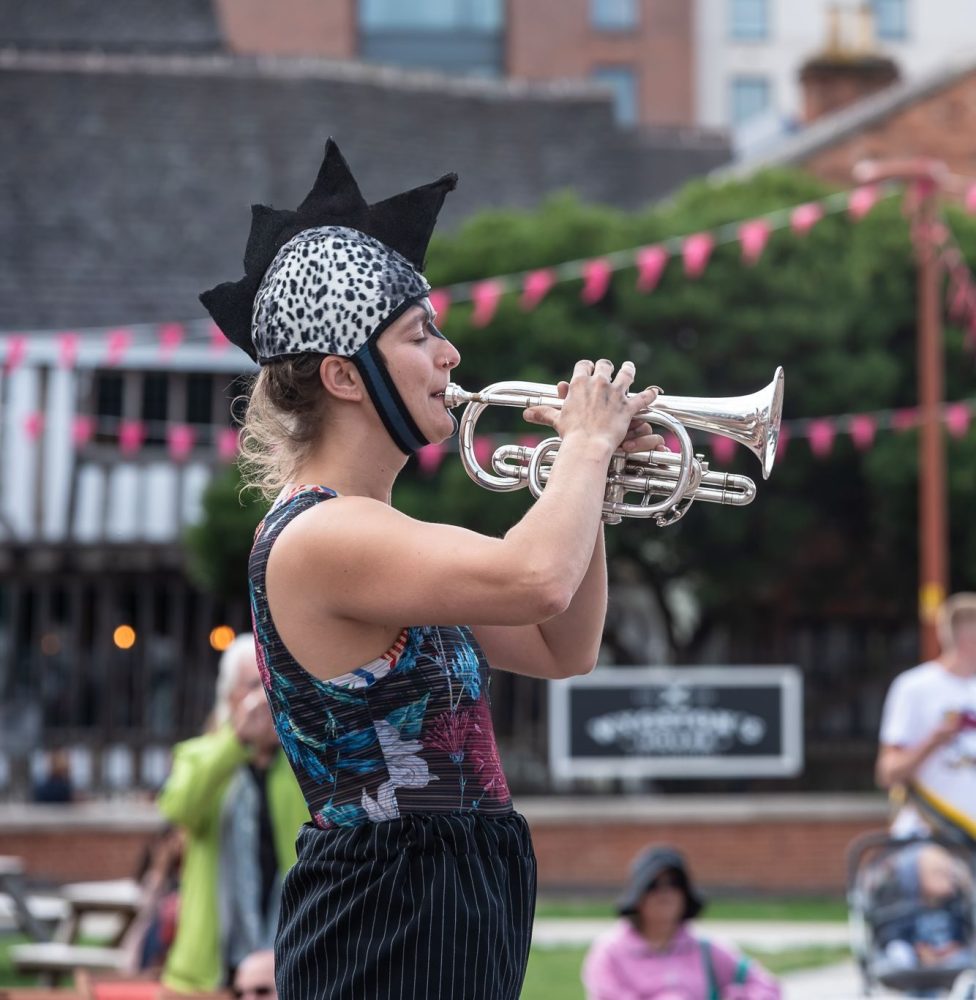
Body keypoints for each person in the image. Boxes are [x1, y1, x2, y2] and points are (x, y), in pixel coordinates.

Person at [199, 138, 664, 1000]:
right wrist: (586, 448)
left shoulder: (386, 535)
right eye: (422, 335)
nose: (450, 357)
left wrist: (592, 491)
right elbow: (536, 578)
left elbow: (563, 644)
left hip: (447, 898)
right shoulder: (321, 536)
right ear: (345, 374)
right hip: (389, 913)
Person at [157, 634, 310, 994]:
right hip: (208, 970)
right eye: (253, 685)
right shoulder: (202, 756)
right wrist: (236, 741)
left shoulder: (300, 765)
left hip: (286, 962)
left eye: (271, 682)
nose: (264, 697)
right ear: (230, 697)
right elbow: (178, 807)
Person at [581, 846, 781, 1000]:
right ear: (637, 896)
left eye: (674, 884)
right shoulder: (610, 952)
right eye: (654, 886)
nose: (665, 893)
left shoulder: (706, 949)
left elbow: (767, 986)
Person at [876, 592, 976, 845]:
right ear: (968, 640)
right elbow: (887, 774)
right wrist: (934, 741)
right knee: (940, 879)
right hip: (929, 834)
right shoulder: (915, 687)